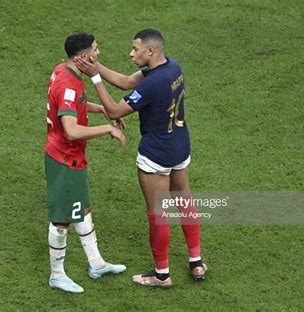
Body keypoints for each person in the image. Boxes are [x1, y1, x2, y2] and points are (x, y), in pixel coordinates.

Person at [74, 28, 207, 288]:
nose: (131, 53)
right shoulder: (172, 67)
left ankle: (161, 274)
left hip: (157, 155)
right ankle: (196, 263)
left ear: (150, 51)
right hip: (180, 147)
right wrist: (97, 66)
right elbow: (125, 81)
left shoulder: (152, 84)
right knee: (184, 199)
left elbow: (114, 111)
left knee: (157, 214)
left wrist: (95, 79)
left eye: (135, 49)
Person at [44, 32, 127, 293]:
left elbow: (72, 104)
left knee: (83, 209)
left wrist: (100, 108)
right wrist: (107, 128)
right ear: (82, 57)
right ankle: (57, 275)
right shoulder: (68, 85)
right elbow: (71, 129)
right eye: (95, 49)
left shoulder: (63, 71)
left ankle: (96, 263)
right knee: (61, 221)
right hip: (64, 160)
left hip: (72, 158)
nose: (98, 52)